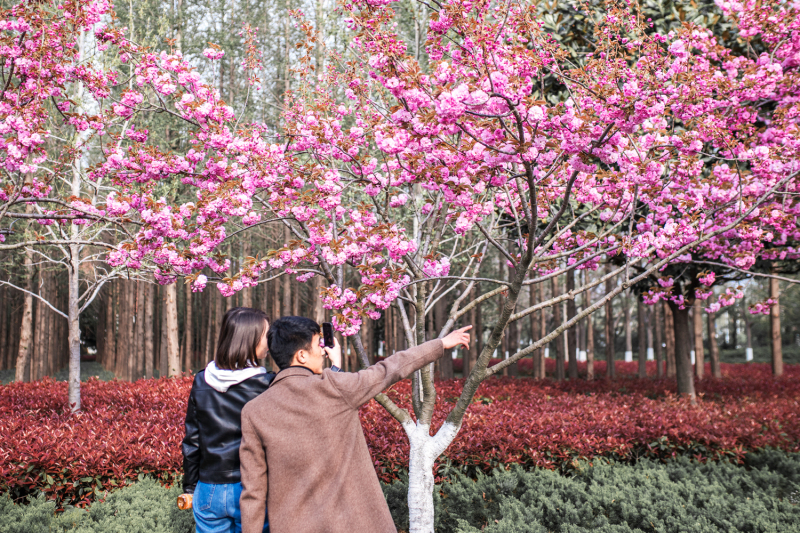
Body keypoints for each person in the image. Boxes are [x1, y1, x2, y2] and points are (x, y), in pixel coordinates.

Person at [239, 316, 471, 533]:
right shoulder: (336, 387)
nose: (323, 351)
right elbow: (390, 369)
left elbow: (253, 492)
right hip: (352, 523)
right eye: (319, 345)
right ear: (301, 356)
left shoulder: (254, 411)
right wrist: (441, 344)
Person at [183, 307, 274, 533]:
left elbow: (192, 440)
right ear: (250, 338)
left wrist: (190, 488)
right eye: (266, 334)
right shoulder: (266, 383)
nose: (269, 341)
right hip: (250, 487)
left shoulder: (202, 380)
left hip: (208, 487)